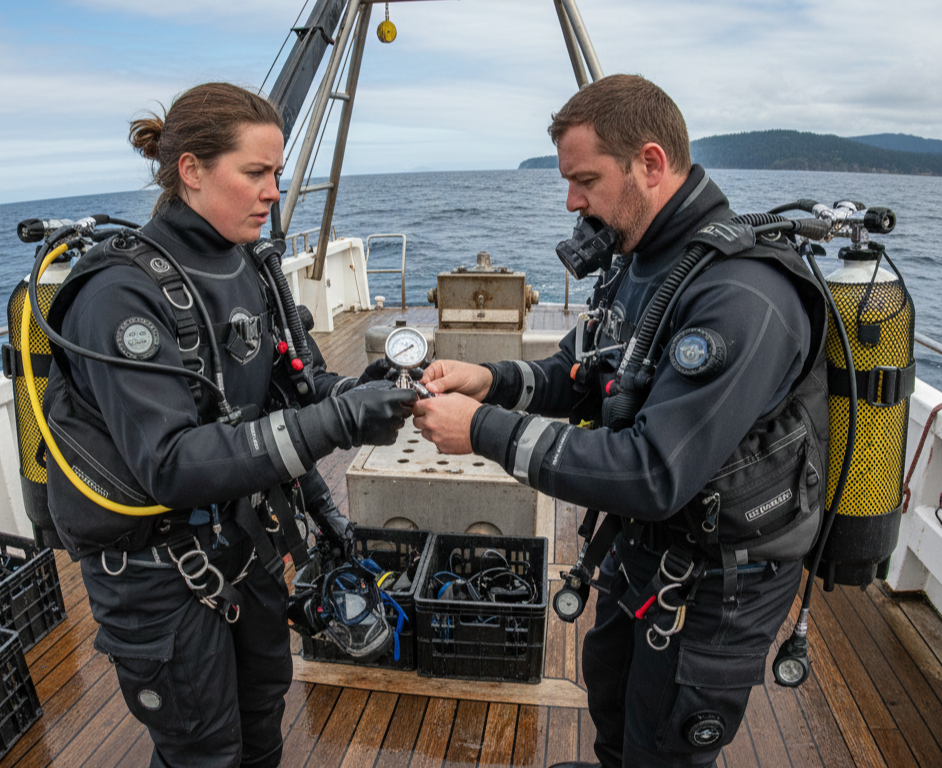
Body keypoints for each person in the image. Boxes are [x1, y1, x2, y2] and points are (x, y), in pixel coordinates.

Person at [412, 74, 829, 768]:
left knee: (660, 742)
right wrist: (489, 380)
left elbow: (653, 471)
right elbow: (585, 375)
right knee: (612, 703)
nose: (572, 200)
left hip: (714, 582)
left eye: (585, 179)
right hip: (643, 553)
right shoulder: (643, 259)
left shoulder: (741, 295)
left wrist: (481, 430)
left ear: (652, 163)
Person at [40, 82, 416, 768]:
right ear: (191, 170)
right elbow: (172, 463)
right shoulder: (118, 294)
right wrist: (335, 421)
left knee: (263, 722)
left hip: (244, 544)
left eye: (275, 172)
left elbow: (287, 382)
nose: (274, 191)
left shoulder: (245, 263)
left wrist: (358, 395)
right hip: (156, 572)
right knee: (204, 753)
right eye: (255, 173)